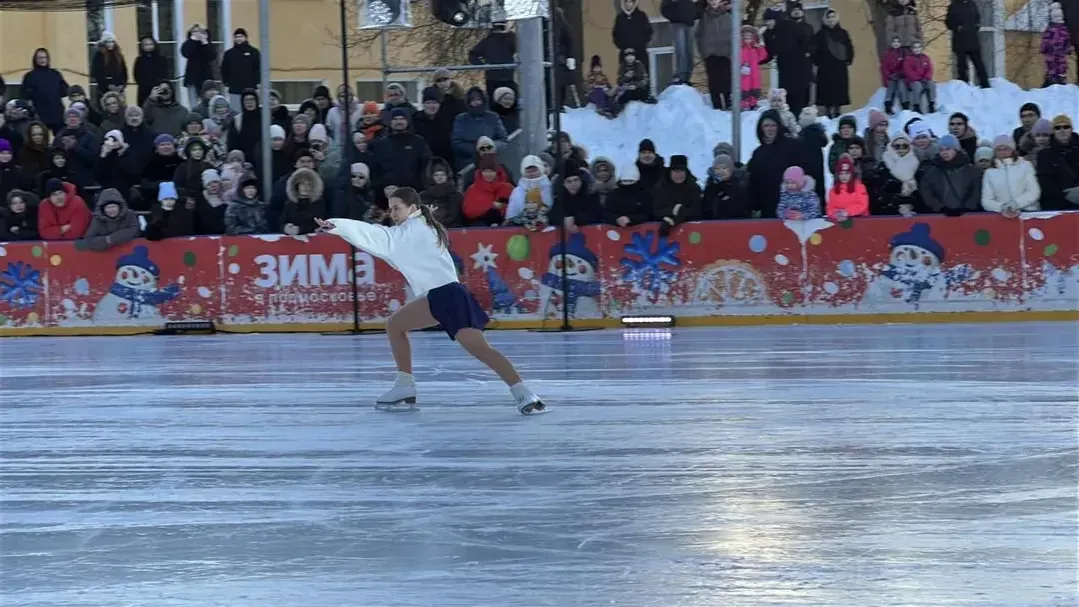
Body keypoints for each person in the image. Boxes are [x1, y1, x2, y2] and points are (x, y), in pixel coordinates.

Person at [314, 187, 547, 415]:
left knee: (481, 350)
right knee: (395, 325)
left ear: (412, 208)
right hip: (437, 296)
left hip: (449, 296)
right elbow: (387, 242)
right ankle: (404, 386)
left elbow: (381, 237)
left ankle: (524, 392)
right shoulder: (417, 227)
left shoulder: (415, 229)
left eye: (397, 208)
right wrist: (341, 228)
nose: (392, 214)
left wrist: (339, 226)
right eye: (391, 209)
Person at [221, 28, 261, 109]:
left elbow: (258, 68)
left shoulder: (254, 52)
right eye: (236, 37)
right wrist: (226, 82)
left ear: (245, 37)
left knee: (250, 109)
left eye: (241, 36)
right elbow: (224, 69)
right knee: (236, 111)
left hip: (250, 88)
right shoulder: (229, 53)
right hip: (235, 89)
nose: (238, 38)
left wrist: (257, 82)